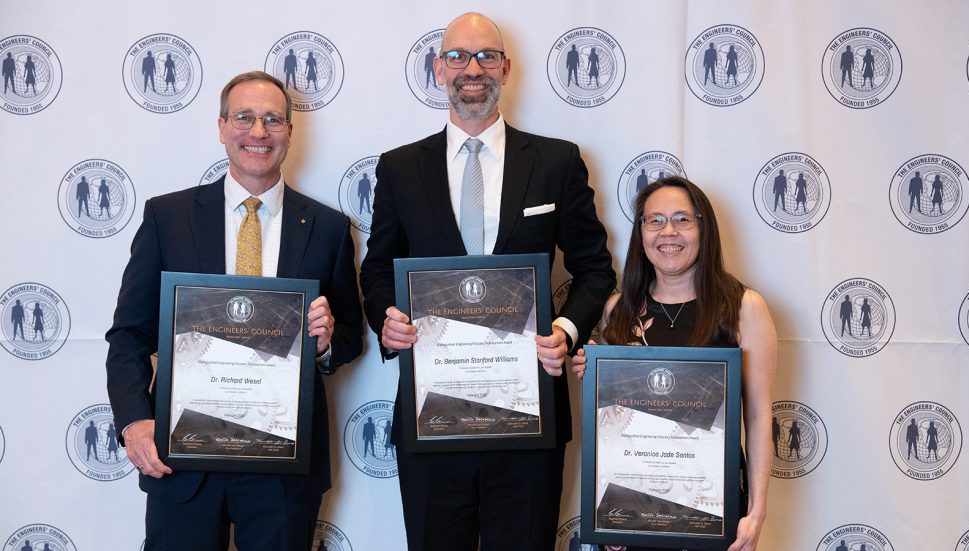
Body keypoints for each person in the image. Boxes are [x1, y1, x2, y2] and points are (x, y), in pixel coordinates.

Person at [359, 12, 615, 551]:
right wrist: (387, 320)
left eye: (485, 57)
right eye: (457, 57)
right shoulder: (400, 168)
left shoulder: (556, 162)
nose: (471, 69)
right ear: (437, 69)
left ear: (506, 68)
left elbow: (595, 269)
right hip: (433, 416)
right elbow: (378, 268)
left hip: (529, 417)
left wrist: (566, 331)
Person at [104, 71, 363, 551]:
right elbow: (128, 336)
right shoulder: (168, 218)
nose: (258, 132)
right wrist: (135, 422)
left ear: (290, 131)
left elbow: (352, 337)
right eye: (244, 117)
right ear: (221, 125)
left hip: (284, 464)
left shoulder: (326, 227)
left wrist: (328, 343)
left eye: (272, 120)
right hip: (182, 459)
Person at [571, 177, 776, 551]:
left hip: (712, 506)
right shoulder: (619, 309)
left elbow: (760, 415)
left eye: (682, 219)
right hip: (631, 507)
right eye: (655, 220)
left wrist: (757, 510)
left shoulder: (743, 308)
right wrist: (594, 377)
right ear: (641, 232)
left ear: (703, 228)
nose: (668, 232)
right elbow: (613, 425)